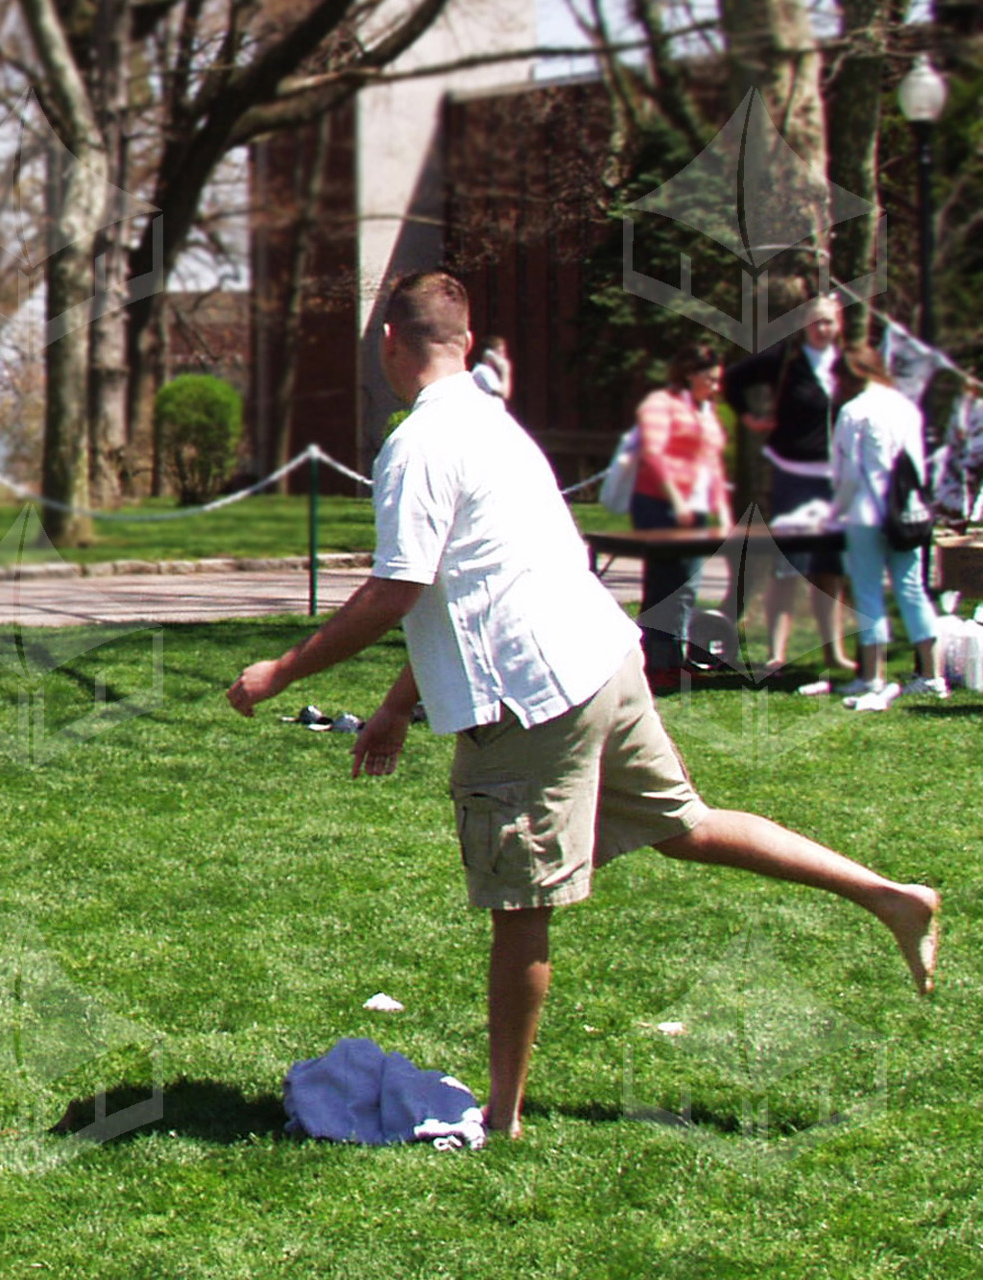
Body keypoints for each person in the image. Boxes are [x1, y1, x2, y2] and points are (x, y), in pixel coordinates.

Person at [225, 271, 940, 1140]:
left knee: (518, 905)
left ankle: (506, 1114)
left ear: (388, 344)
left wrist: (281, 673)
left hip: (530, 701)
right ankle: (888, 895)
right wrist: (392, 707)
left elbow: (397, 590)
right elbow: (473, 584)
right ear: (463, 336)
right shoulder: (497, 425)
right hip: (602, 662)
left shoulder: (417, 446)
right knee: (690, 826)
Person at [723, 295, 852, 671]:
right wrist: (748, 418)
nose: (822, 329)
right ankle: (776, 652)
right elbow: (734, 379)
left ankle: (835, 651)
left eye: (829, 321)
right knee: (788, 566)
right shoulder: (785, 362)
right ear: (804, 325)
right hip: (793, 478)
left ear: (839, 324)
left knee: (831, 567)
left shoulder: (847, 367)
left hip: (837, 481)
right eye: (816, 322)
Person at [830, 344, 947, 709]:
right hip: (907, 512)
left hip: (864, 512)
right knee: (912, 589)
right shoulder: (905, 407)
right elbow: (919, 465)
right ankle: (932, 674)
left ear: (850, 376)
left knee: (867, 593)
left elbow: (845, 471)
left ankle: (873, 675)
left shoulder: (852, 411)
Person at [631, 343, 732, 686]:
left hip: (697, 507)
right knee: (665, 583)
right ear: (691, 373)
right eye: (711, 378)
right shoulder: (662, 404)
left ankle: (674, 657)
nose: (717, 386)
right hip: (660, 505)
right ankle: (657, 662)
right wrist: (678, 501)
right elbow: (655, 455)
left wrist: (724, 512)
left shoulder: (706, 410)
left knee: (688, 585)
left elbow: (713, 462)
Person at [471, 335, 512, 401]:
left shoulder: (488, 371)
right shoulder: (481, 370)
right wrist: (505, 372)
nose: (503, 356)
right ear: (488, 353)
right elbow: (503, 394)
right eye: (500, 352)